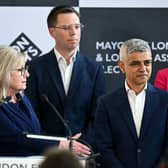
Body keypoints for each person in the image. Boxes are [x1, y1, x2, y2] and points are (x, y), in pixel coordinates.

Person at [25, 5, 106, 146]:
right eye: (66, 27)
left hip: (85, 151)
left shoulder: (94, 68)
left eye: (77, 26)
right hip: (47, 151)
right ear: (52, 32)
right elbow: (31, 114)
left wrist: (82, 143)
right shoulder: (35, 67)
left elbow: (98, 115)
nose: (73, 33)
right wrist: (56, 144)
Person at [0, 45, 91, 156]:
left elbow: (34, 135)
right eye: (21, 70)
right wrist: (60, 145)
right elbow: (17, 140)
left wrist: (64, 141)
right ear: (3, 72)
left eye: (26, 69)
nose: (27, 75)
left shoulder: (22, 99)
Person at [95, 38, 168, 168]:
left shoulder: (165, 100)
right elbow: (103, 148)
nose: (143, 68)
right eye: (135, 63)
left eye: (147, 62)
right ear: (122, 66)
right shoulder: (106, 104)